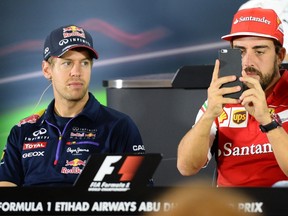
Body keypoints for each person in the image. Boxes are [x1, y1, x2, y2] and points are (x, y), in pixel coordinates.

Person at [0, 25, 145, 186]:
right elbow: (5, 190)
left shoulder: (119, 126)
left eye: (84, 63)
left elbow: (138, 196)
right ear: (47, 70)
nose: (77, 72)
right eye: (67, 63)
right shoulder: (22, 131)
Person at [177, 8, 288, 187]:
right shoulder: (223, 95)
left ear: (279, 56)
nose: (248, 62)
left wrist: (267, 121)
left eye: (259, 52)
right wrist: (209, 115)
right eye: (241, 52)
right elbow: (186, 167)